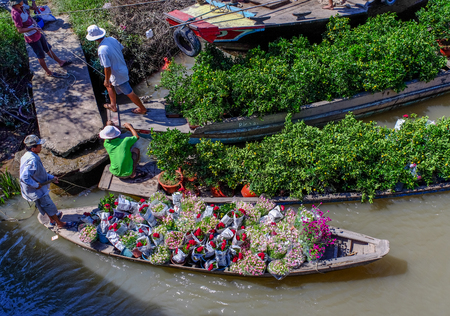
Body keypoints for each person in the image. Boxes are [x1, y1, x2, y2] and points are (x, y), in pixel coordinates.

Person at [85, 25, 147, 115]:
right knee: (109, 85)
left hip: (117, 74)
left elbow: (107, 67)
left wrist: (106, 79)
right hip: (122, 68)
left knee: (128, 91)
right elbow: (120, 48)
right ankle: (113, 105)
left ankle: (142, 108)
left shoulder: (101, 50)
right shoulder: (111, 39)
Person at [20, 135, 75, 228]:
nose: (41, 147)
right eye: (39, 145)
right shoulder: (32, 160)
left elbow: (39, 173)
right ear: (33, 148)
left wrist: (51, 177)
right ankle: (60, 224)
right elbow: (24, 177)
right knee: (49, 205)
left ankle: (52, 220)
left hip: (34, 188)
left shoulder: (27, 155)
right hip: (35, 189)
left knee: (44, 205)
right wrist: (35, 185)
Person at [10, 0, 71, 77]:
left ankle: (60, 62)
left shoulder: (23, 6)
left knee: (47, 48)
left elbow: (34, 9)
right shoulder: (16, 13)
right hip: (31, 37)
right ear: (17, 2)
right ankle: (48, 72)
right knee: (40, 55)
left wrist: (33, 1)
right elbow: (20, 30)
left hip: (36, 32)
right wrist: (33, 28)